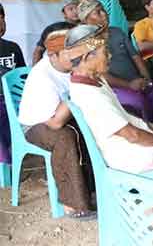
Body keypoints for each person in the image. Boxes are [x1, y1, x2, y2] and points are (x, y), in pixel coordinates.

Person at [66, 24, 153, 174]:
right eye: (105, 52)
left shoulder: (94, 80)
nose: (110, 56)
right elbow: (133, 136)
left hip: (132, 149)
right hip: (131, 158)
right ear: (88, 57)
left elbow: (128, 122)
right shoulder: (90, 96)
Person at [18, 27, 96, 220]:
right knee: (66, 138)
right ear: (53, 55)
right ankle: (73, 204)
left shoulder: (73, 66)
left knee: (94, 126)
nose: (76, 57)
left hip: (63, 119)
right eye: (70, 53)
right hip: (37, 125)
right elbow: (54, 124)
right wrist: (78, 85)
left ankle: (94, 190)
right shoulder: (43, 76)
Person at [78, 0, 153, 123]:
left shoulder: (117, 32)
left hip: (138, 81)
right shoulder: (89, 44)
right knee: (137, 103)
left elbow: (135, 56)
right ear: (86, 21)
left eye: (103, 10)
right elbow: (101, 74)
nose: (104, 14)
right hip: (116, 87)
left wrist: (146, 77)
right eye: (98, 12)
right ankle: (148, 133)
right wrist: (129, 85)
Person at [0, 3, 26, 169]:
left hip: (14, 102)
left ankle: (7, 159)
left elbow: (23, 77)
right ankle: (5, 161)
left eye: (2, 18)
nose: (1, 23)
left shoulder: (12, 47)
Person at [32, 0, 80, 64]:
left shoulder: (88, 28)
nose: (75, 11)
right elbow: (38, 51)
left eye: (77, 8)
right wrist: (35, 71)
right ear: (64, 13)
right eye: (71, 9)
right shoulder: (53, 29)